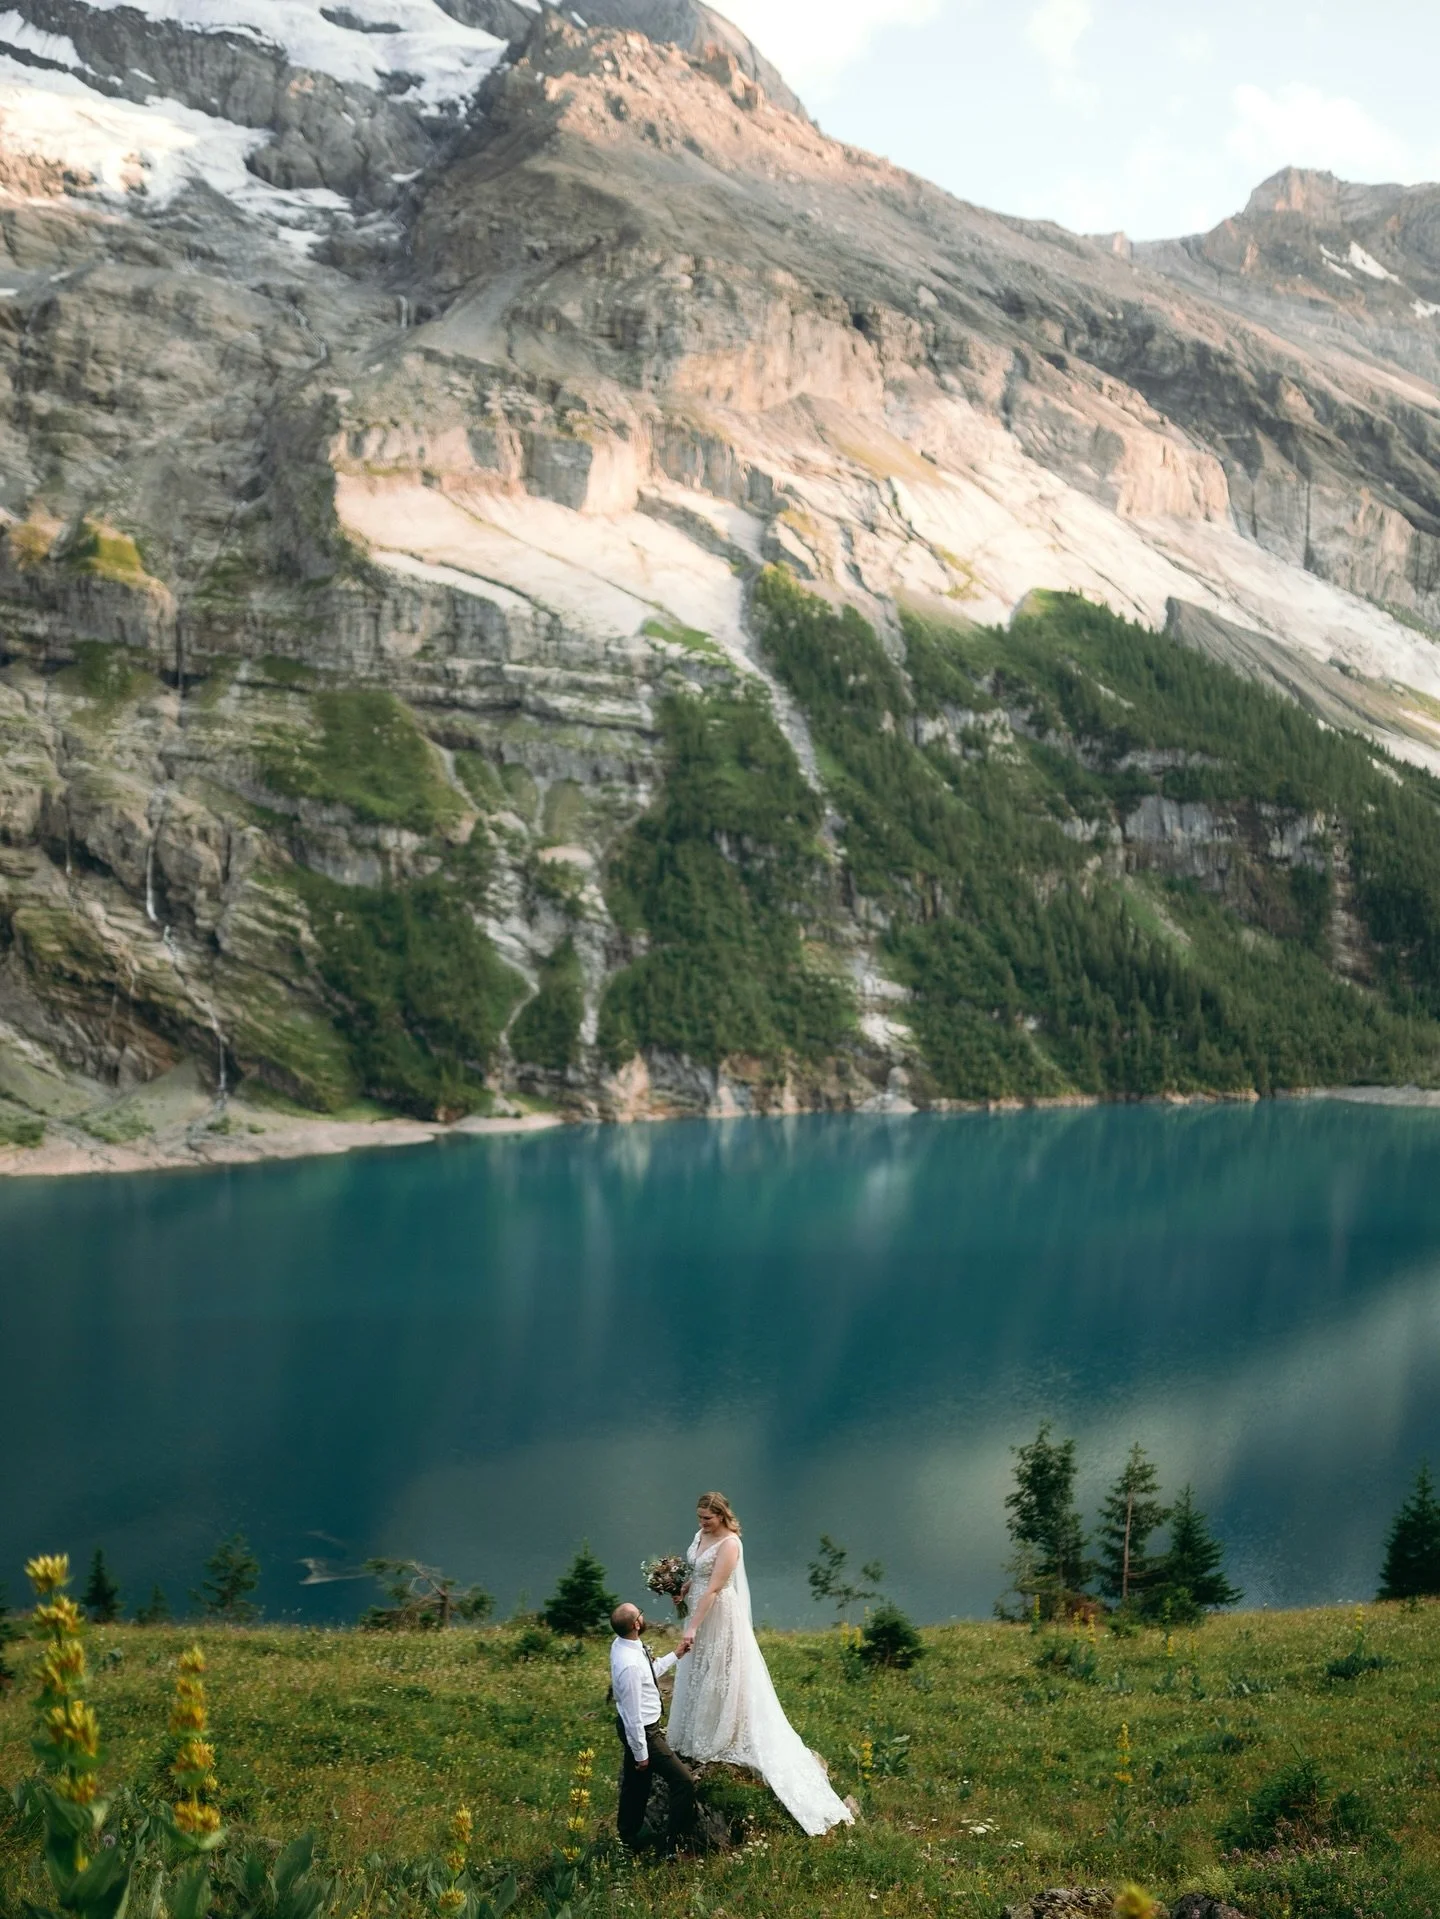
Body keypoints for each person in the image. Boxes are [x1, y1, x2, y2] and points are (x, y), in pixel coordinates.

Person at [668, 1492, 856, 1837]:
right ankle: (696, 1730)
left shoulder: (730, 1544)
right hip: (698, 1605)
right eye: (699, 1518)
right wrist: (684, 1587)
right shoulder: (700, 1537)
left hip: (718, 1616)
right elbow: (698, 1575)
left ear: (722, 1516)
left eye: (708, 1519)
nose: (701, 1524)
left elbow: (715, 1589)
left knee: (720, 1673)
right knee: (698, 1672)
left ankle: (724, 1733)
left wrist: (692, 1626)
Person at [609, 1601, 697, 1852]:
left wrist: (676, 1654)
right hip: (644, 1733)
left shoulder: (624, 1645)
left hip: (640, 1729)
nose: (643, 1616)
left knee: (636, 1786)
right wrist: (642, 1754)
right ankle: (672, 1846)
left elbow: (648, 1674)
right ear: (636, 1624)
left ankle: (628, 1837)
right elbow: (633, 1714)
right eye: (641, 1613)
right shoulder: (629, 1665)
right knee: (683, 1782)